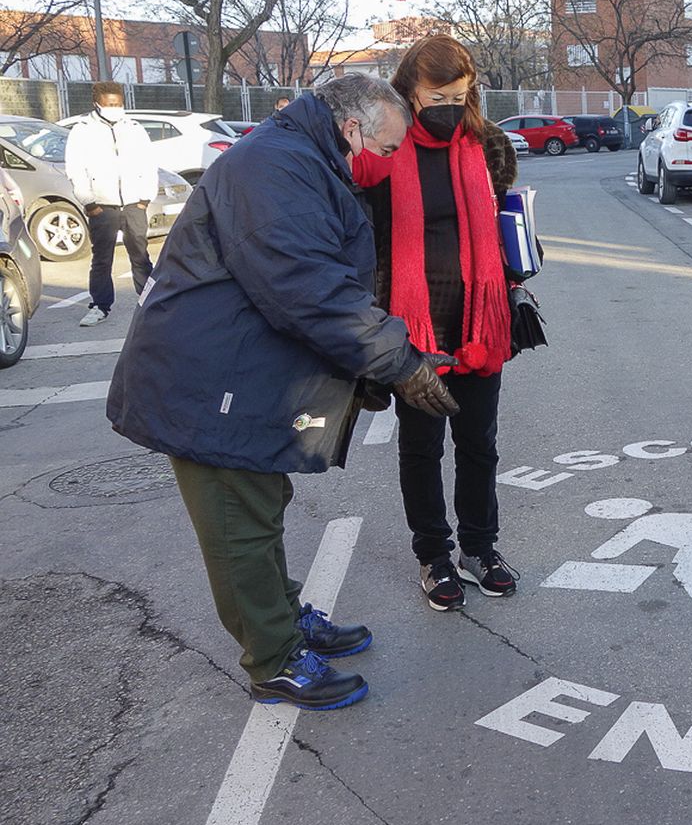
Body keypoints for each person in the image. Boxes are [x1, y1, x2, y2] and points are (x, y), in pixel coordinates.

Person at [106, 74, 460, 712]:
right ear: (352, 128)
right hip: (211, 379)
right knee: (238, 522)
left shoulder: (297, 155)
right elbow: (306, 285)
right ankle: (273, 660)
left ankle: (284, 619)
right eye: (383, 150)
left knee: (259, 506)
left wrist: (376, 363)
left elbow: (312, 283)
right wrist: (395, 361)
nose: (382, 164)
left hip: (236, 372)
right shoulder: (276, 164)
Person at [360, 35, 521, 612]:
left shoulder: (489, 144)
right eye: (438, 94)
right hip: (411, 325)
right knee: (422, 446)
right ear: (410, 90)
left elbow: (505, 219)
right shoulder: (385, 148)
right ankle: (434, 555)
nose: (453, 104)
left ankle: (480, 548)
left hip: (481, 320)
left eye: (462, 92)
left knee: (479, 443)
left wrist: (521, 257)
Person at [65, 81, 158, 327]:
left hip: (133, 203)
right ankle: (99, 306)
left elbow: (148, 164)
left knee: (140, 254)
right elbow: (76, 169)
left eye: (118, 104)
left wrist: (145, 198)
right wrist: (89, 202)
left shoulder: (134, 129)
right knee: (102, 258)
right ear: (97, 103)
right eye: (109, 104)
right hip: (102, 204)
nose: (115, 108)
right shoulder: (83, 130)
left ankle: (150, 301)